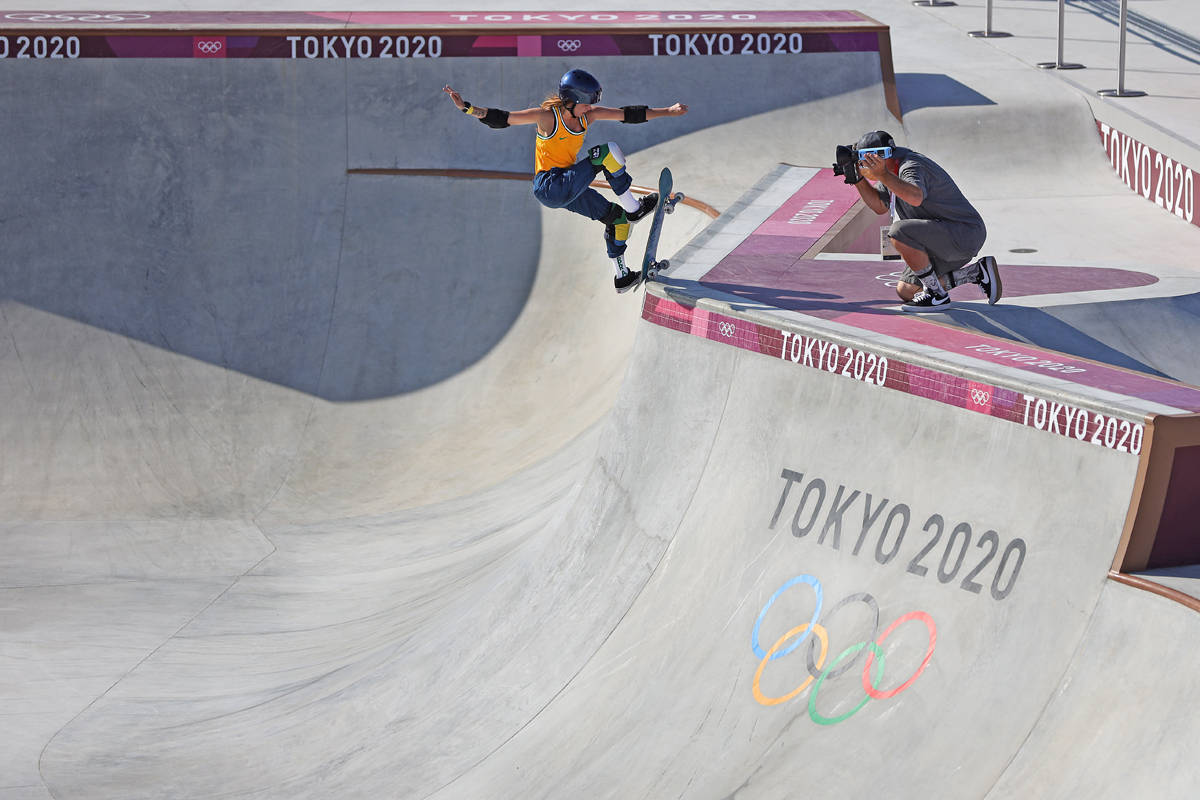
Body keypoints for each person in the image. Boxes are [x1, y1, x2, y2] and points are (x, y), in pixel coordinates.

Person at [444, 70, 688, 293]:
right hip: (549, 184)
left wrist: (668, 111)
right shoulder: (547, 117)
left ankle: (621, 276)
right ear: (571, 100)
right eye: (586, 104)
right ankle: (634, 208)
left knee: (617, 220)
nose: (590, 109)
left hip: (569, 186)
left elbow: (628, 114)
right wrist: (467, 108)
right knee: (606, 152)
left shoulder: (587, 116)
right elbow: (503, 118)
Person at [839, 130, 1002, 312]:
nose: (862, 165)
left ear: (880, 157)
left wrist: (883, 175)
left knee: (899, 232)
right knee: (907, 291)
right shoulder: (889, 170)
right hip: (939, 237)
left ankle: (937, 296)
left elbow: (915, 197)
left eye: (864, 160)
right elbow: (879, 207)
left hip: (963, 233)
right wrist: (856, 179)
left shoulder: (911, 165)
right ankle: (976, 272)